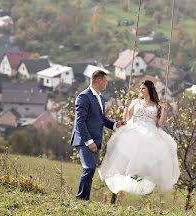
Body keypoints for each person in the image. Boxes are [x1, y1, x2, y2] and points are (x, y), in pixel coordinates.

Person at [98, 79, 180, 195]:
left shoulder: (157, 106)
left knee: (148, 149)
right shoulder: (136, 102)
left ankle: (141, 173)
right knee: (129, 146)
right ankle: (129, 170)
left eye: (143, 88)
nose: (140, 90)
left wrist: (164, 111)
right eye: (140, 88)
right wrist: (126, 107)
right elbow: (126, 118)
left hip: (150, 130)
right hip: (135, 128)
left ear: (149, 90)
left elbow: (160, 124)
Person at [71, 69, 125, 200]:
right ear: (99, 81)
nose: (107, 84)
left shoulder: (100, 97)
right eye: (106, 81)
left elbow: (101, 119)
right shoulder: (83, 97)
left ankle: (84, 199)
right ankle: (80, 198)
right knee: (89, 168)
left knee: (91, 170)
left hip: (96, 141)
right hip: (84, 140)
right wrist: (89, 142)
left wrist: (115, 125)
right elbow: (80, 122)